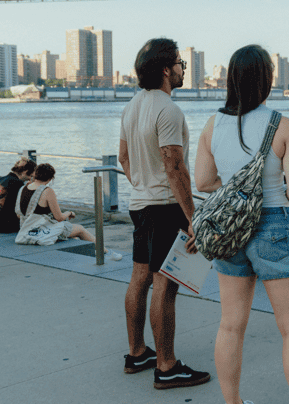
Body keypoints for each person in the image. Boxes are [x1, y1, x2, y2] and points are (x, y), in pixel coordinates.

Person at [195, 44, 289, 404]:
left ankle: (233, 402)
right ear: (268, 79)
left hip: (229, 229)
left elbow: (202, 182)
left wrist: (236, 190)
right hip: (274, 225)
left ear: (231, 79)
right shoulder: (284, 126)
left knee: (231, 325)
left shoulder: (212, 125)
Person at [118, 37, 209, 390]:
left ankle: (138, 352)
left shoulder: (132, 106)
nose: (183, 68)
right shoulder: (168, 109)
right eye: (180, 63)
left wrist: (142, 185)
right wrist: (193, 217)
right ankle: (167, 366)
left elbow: (124, 158)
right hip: (165, 207)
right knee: (165, 285)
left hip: (140, 204)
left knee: (140, 277)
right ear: (166, 69)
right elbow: (174, 165)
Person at [15, 163, 122, 260]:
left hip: (25, 230)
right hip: (41, 232)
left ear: (35, 174)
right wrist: (69, 213)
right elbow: (59, 217)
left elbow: (19, 214)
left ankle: (89, 252)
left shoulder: (23, 188)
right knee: (80, 229)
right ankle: (105, 253)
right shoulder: (47, 191)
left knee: (71, 233)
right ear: (51, 178)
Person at [0, 158, 37, 233]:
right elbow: (24, 207)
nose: (30, 179)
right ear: (25, 172)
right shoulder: (17, 183)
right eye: (31, 176)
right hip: (7, 225)